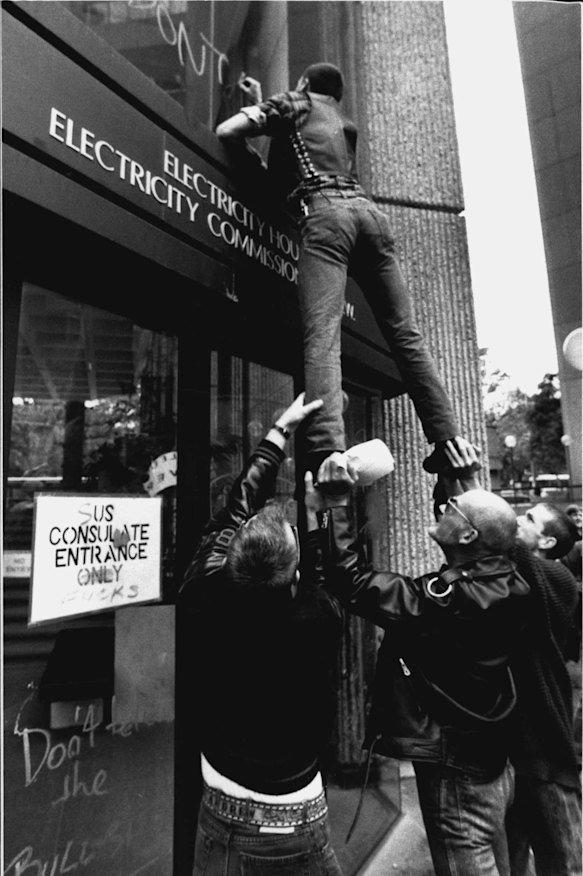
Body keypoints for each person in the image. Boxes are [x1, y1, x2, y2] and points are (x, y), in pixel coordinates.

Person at [215, 63, 471, 479]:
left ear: (302, 83)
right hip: (370, 216)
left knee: (323, 332)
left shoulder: (294, 102)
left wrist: (260, 104)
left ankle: (326, 448)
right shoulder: (339, 120)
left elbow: (229, 131)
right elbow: (292, 153)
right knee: (406, 336)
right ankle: (448, 440)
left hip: (325, 215)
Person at [307, 442, 530, 876]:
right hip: (492, 758)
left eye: (451, 507)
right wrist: (453, 474)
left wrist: (335, 503)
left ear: (466, 536)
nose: (443, 507)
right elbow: (481, 531)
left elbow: (352, 581)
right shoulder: (511, 580)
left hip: (457, 772)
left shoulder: (448, 601)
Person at [179, 393, 344, 876]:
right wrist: (320, 513)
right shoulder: (316, 619)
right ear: (294, 579)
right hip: (296, 812)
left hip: (224, 801)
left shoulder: (199, 598)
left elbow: (235, 509)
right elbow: (332, 573)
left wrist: (278, 432)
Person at [504, 501, 582, 876]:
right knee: (513, 845)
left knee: (562, 856)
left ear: (548, 541)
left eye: (530, 518)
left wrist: (469, 479)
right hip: (513, 744)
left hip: (545, 747)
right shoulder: (518, 573)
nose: (520, 518)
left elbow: (514, 549)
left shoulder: (556, 576)